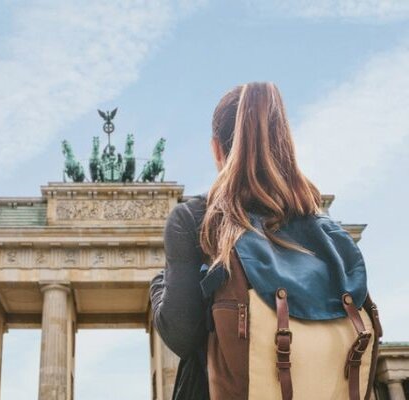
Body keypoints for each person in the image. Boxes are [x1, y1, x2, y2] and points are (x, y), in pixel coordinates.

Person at [149, 82, 379, 399]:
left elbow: (181, 336)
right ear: (285, 143)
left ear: (216, 148)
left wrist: (160, 284)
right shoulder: (324, 230)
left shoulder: (197, 219)